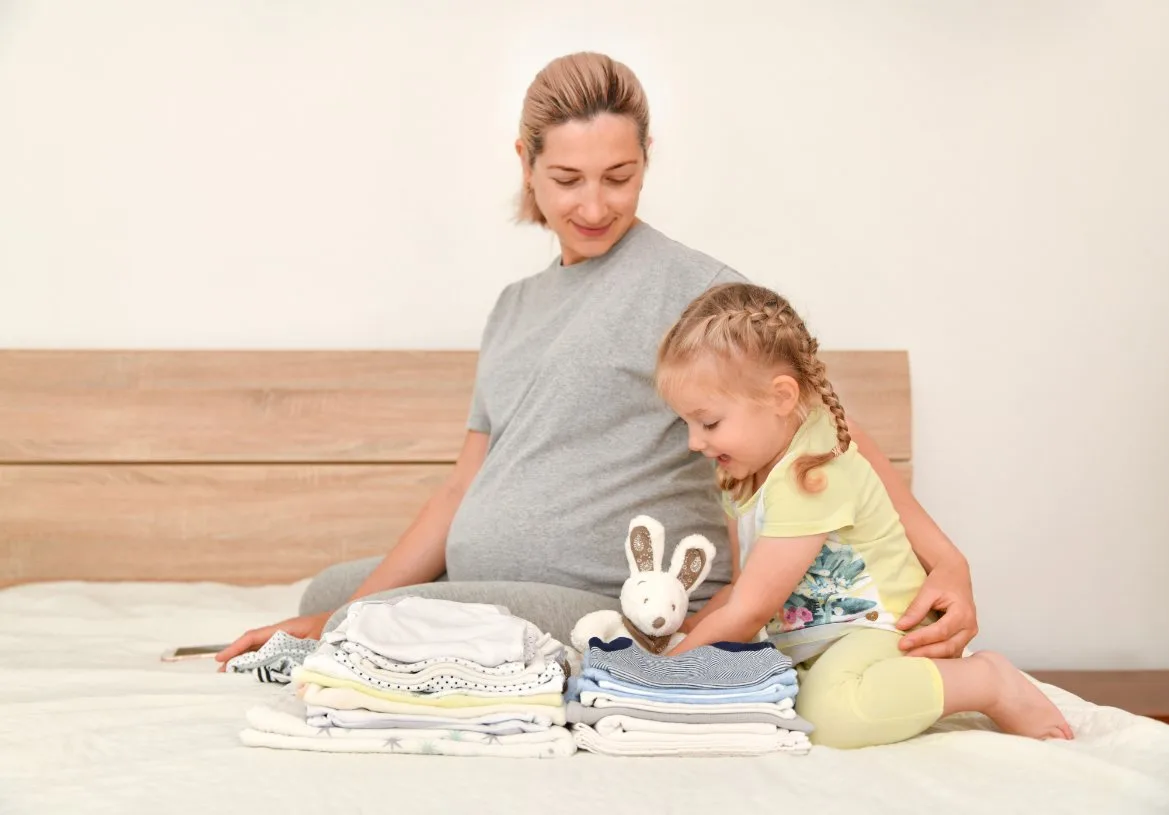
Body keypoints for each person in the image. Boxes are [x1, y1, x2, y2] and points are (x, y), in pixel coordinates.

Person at [216, 51, 979, 668]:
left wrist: (946, 560)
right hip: (514, 577)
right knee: (333, 589)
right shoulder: (513, 305)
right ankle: (358, 614)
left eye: (618, 177)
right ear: (525, 162)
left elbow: (826, 430)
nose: (593, 206)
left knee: (362, 618)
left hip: (617, 597)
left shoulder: (698, 289)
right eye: (566, 179)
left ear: (646, 157)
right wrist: (335, 613)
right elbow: (463, 483)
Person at [655, 281, 1073, 748]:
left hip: (884, 628)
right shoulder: (741, 476)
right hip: (825, 642)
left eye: (709, 423)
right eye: (686, 424)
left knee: (830, 717)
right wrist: (680, 636)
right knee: (781, 696)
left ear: (780, 398)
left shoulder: (811, 472)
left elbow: (750, 610)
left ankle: (985, 681)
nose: (695, 442)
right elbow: (742, 590)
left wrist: (660, 675)